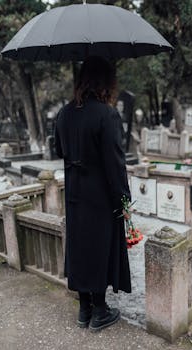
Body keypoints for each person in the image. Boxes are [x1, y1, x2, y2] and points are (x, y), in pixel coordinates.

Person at [54, 56, 132, 332]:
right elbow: (115, 162)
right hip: (100, 195)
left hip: (75, 192)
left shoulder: (64, 113)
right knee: (99, 248)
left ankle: (83, 309)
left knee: (80, 247)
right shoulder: (107, 114)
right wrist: (123, 199)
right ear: (106, 82)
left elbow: (58, 151)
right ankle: (99, 311)